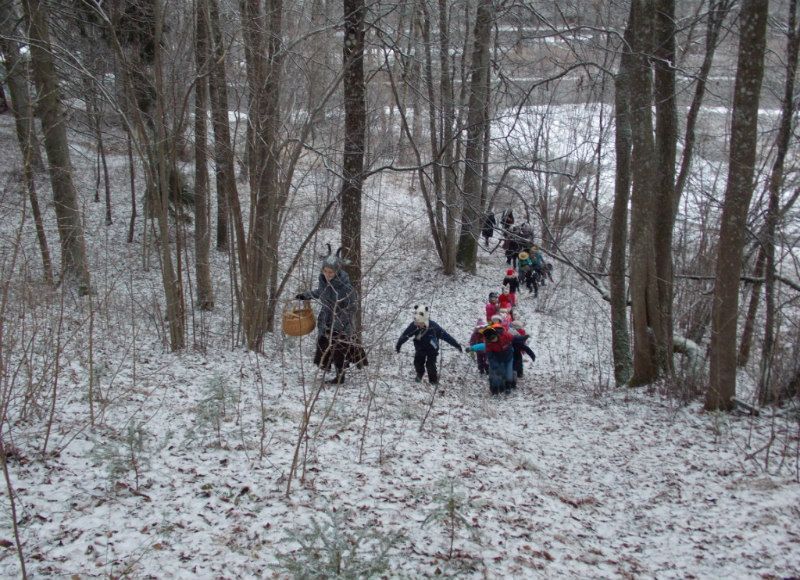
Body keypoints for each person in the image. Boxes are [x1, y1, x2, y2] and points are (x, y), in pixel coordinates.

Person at [295, 247, 366, 384]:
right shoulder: (323, 281)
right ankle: (333, 371)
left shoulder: (345, 286)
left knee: (339, 350)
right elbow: (320, 292)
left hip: (341, 323)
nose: (328, 274)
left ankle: (340, 377)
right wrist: (305, 295)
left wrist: (341, 314)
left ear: (337, 271)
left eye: (331, 272)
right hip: (327, 320)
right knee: (325, 346)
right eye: (325, 271)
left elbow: (353, 305)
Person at [396, 305, 462, 385]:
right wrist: (399, 344)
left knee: (430, 365)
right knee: (417, 363)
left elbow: (446, 336)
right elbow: (405, 335)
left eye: (419, 323)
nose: (417, 324)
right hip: (420, 348)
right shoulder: (414, 326)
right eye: (416, 322)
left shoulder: (434, 326)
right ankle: (419, 374)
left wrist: (456, 345)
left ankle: (433, 381)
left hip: (432, 350)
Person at [466, 323, 521, 395]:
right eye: (491, 339)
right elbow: (482, 346)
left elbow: (515, 339)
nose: (493, 340)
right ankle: (497, 388)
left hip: (508, 357)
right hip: (498, 359)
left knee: (509, 374)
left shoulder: (505, 336)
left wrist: (522, 339)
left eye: (493, 338)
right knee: (497, 373)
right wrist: (472, 348)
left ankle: (509, 385)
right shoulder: (489, 343)